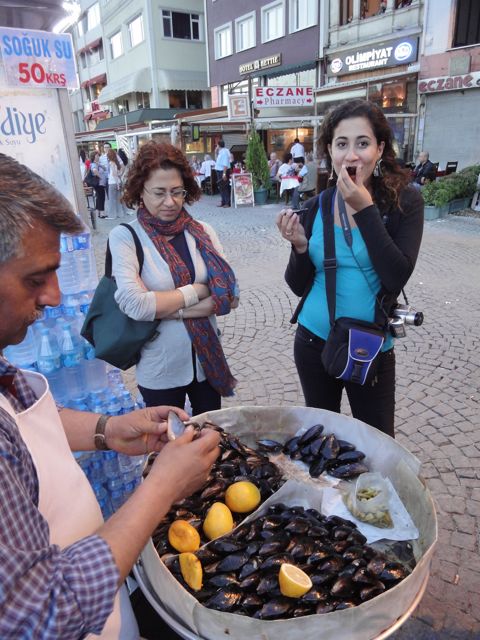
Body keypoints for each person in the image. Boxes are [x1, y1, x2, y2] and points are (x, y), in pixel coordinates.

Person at [0, 152, 221, 638]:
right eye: (35, 279)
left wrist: (108, 430)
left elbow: (23, 416)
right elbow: (43, 614)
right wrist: (161, 487)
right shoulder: (127, 237)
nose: (56, 296)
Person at [276, 99, 424, 438]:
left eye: (363, 143)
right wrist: (299, 246)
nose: (352, 155)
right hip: (313, 340)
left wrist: (365, 209)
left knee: (376, 441)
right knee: (322, 437)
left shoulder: (404, 203)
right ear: (330, 149)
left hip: (370, 345)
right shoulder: (316, 205)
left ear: (380, 148)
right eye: (342, 144)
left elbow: (396, 274)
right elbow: (299, 285)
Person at [109, 141, 239, 415]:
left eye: (177, 192)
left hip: (207, 365)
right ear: (140, 191)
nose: (170, 202)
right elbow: (136, 305)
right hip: (161, 368)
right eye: (159, 193)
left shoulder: (202, 231)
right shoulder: (126, 237)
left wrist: (169, 310)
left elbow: (229, 295)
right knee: (167, 445)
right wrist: (199, 289)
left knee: (211, 439)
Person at [106, 148, 124, 220]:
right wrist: (118, 181)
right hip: (117, 182)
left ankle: (112, 215)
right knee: (118, 199)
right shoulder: (116, 163)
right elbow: (118, 172)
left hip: (113, 183)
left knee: (112, 200)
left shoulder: (111, 163)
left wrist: (117, 183)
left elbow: (113, 174)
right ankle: (120, 213)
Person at [89, 150, 108, 219]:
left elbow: (105, 168)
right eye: (97, 155)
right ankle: (102, 213)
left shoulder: (96, 163)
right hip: (99, 183)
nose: (98, 156)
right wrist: (100, 177)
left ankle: (98, 212)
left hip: (100, 184)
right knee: (101, 197)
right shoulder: (93, 164)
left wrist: (99, 165)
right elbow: (94, 170)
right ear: (94, 156)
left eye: (98, 155)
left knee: (99, 197)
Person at [214, 139, 231, 207]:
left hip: (223, 171)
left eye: (217, 145)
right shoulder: (222, 151)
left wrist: (224, 174)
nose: (216, 146)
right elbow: (217, 160)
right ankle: (223, 201)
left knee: (224, 186)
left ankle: (227, 202)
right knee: (221, 187)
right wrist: (216, 152)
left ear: (219, 145)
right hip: (219, 170)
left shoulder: (224, 152)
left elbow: (225, 164)